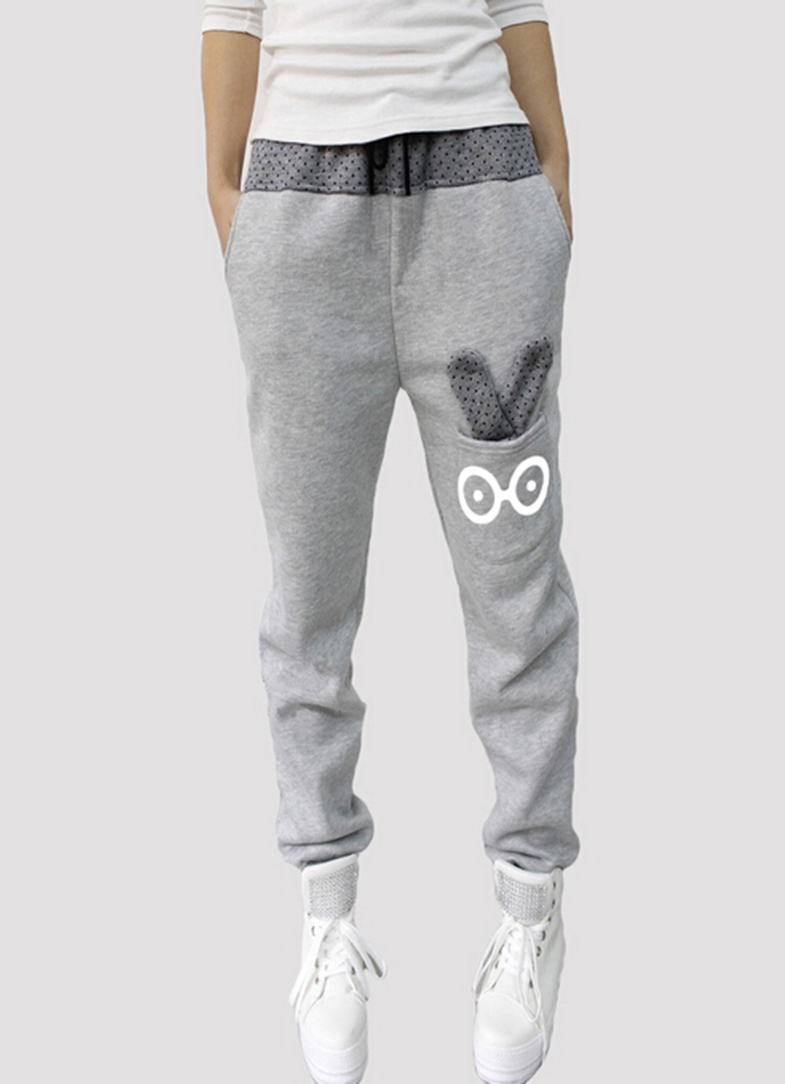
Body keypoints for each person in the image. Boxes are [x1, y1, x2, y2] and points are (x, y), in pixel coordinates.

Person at [200, 4, 581, 1083]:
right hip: (300, 219)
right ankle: (325, 913)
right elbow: (230, 12)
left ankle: (532, 904)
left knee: (515, 587)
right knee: (308, 597)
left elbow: (514, 5)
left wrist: (552, 190)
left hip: (484, 206)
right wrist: (235, 211)